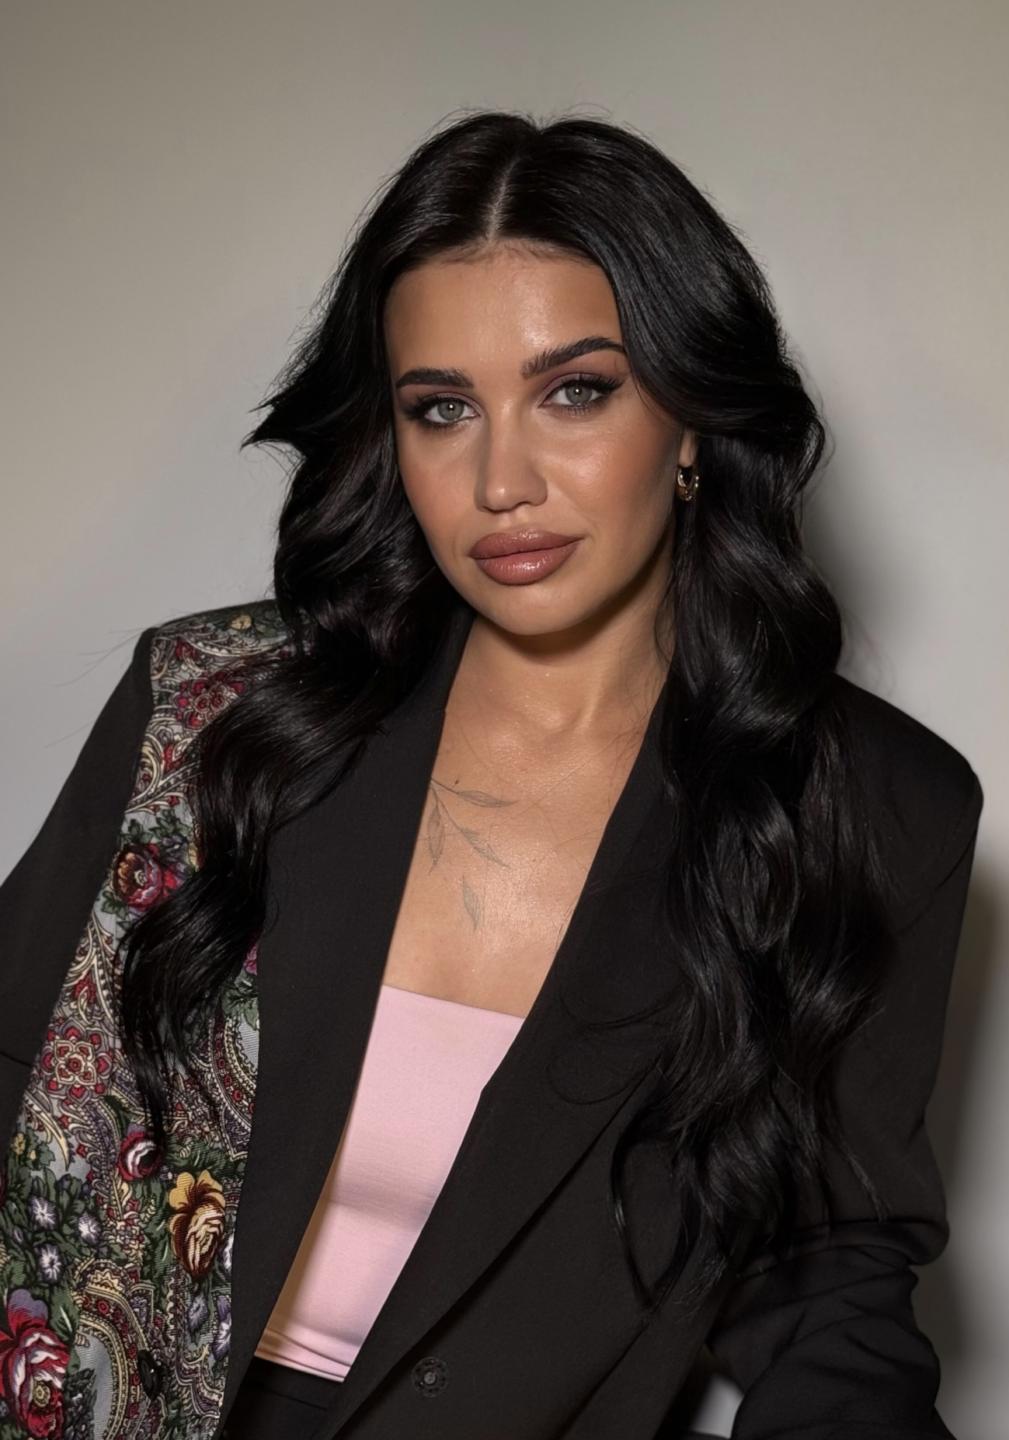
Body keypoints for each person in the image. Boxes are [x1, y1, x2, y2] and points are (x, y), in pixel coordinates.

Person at [0, 109, 983, 1440]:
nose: (501, 480)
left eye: (575, 391)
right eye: (442, 409)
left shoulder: (866, 805)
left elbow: (827, 1267)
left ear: (692, 421)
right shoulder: (213, 710)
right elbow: (15, 1066)